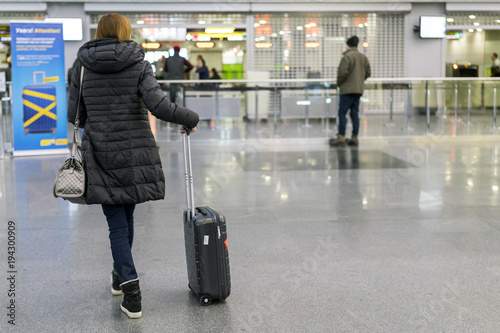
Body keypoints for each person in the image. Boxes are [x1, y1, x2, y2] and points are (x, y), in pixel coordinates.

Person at [67, 13, 199, 319]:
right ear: (125, 32)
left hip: (100, 150)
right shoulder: (139, 63)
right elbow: (159, 106)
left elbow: (75, 114)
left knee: (118, 223)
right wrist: (189, 118)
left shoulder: (82, 66)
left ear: (99, 32)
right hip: (135, 149)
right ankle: (129, 288)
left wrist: (99, 120)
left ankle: (125, 283)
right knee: (126, 217)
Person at [330, 36, 371, 147]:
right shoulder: (363, 57)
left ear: (347, 45)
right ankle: (354, 137)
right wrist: (359, 81)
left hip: (347, 90)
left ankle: (341, 137)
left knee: (342, 113)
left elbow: (342, 73)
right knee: (355, 114)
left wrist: (339, 83)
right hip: (358, 90)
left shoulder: (347, 57)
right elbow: (368, 73)